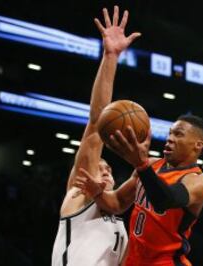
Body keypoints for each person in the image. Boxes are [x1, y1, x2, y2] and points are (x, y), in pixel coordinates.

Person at [51, 6, 141, 266]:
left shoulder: (119, 221)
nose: (103, 170)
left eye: (108, 168)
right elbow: (96, 125)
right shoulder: (80, 197)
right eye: (97, 165)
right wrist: (111, 57)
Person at [75, 114, 203, 265]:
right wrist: (97, 192)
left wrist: (141, 165)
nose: (170, 138)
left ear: (198, 145)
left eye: (178, 134)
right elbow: (118, 203)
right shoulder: (151, 165)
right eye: (170, 133)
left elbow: (165, 200)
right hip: (134, 260)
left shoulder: (198, 180)